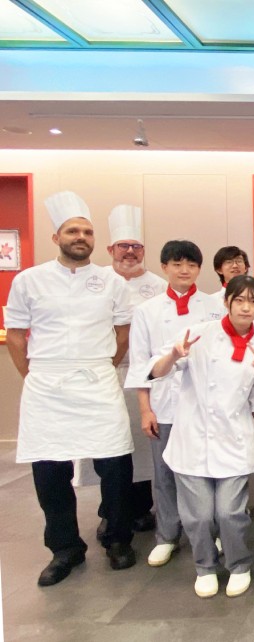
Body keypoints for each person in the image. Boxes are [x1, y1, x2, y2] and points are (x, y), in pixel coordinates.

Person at [5, 191, 136, 586]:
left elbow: (123, 334)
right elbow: (14, 336)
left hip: (97, 378)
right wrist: (34, 374)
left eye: (87, 231)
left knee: (115, 464)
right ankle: (65, 548)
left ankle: (117, 538)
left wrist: (101, 366)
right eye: (72, 230)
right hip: (46, 383)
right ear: (56, 237)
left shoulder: (111, 281)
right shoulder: (29, 280)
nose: (81, 237)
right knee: (49, 470)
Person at [151, 275, 254, 598]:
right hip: (193, 438)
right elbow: (156, 371)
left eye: (253, 301)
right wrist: (174, 355)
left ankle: (239, 564)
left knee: (230, 512)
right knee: (199, 514)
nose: (246, 307)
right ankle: (204, 566)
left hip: (234, 439)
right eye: (239, 300)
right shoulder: (198, 335)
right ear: (226, 302)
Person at [125, 240, 224, 567]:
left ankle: (215, 530)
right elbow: (140, 364)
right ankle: (167, 534)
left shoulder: (214, 307)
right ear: (165, 267)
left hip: (205, 404)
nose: (184, 270)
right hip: (164, 404)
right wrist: (145, 409)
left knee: (209, 470)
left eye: (191, 265)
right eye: (177, 264)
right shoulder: (146, 311)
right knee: (165, 472)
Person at [75, 204, 166, 540]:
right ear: (110, 249)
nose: (130, 253)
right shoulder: (94, 282)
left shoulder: (157, 286)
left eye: (136, 247)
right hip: (104, 374)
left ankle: (141, 508)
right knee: (108, 447)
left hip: (145, 376)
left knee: (142, 443)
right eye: (123, 247)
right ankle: (110, 511)